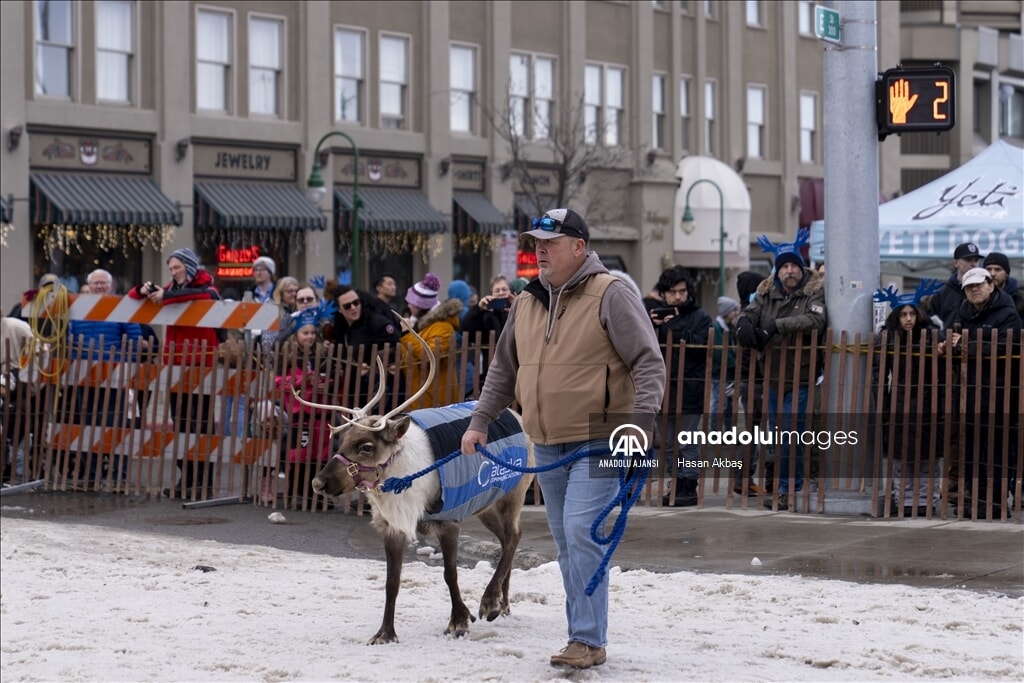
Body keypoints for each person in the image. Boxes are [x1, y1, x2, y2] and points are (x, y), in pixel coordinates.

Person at [460, 208, 664, 670]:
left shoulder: (611, 294)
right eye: (536, 244)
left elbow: (649, 363)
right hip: (546, 440)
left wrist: (640, 422)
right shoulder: (526, 302)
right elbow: (503, 370)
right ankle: (583, 635)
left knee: (580, 531)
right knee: (569, 541)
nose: (539, 252)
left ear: (578, 247)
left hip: (602, 436)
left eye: (549, 244)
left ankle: (587, 639)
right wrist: (479, 422)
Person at [736, 229, 827, 511]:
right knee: (777, 437)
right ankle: (782, 485)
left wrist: (776, 326)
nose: (789, 271)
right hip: (772, 377)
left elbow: (815, 319)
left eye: (794, 266)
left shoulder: (814, 292)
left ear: (801, 269)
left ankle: (789, 488)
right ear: (778, 271)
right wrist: (744, 323)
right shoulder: (767, 293)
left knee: (790, 433)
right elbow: (750, 311)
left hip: (800, 377)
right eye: (784, 266)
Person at [129, 247, 222, 499]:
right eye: (171, 269)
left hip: (201, 365)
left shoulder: (207, 289)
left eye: (178, 267)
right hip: (174, 365)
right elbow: (131, 296)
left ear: (190, 267)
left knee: (201, 422)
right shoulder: (170, 289)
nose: (174, 272)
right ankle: (186, 478)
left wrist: (166, 296)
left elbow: (203, 295)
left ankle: (202, 481)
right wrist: (143, 289)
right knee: (180, 421)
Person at [944, 267, 1022, 519]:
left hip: (999, 392)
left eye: (979, 284)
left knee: (997, 449)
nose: (974, 289)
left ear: (991, 285)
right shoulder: (961, 313)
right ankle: (974, 498)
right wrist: (947, 344)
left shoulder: (1007, 313)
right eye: (969, 287)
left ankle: (996, 503)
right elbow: (948, 340)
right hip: (966, 392)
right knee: (969, 449)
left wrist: (966, 344)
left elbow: (1006, 345)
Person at [252, 301, 336, 505]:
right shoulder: (288, 358)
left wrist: (327, 385)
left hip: (321, 415)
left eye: (312, 333)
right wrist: (304, 380)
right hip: (300, 416)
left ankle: (318, 494)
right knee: (299, 453)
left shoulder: (322, 356)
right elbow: (280, 382)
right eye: (304, 333)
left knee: (322, 453)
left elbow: (331, 377)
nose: (309, 337)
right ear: (296, 335)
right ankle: (296, 493)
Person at [64, 269, 142, 490]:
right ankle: (90, 477)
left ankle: (119, 478)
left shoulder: (122, 306)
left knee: (115, 427)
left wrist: (125, 365)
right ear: (89, 286)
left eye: (103, 283)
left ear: (111, 286)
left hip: (114, 377)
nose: (99, 287)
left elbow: (135, 339)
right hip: (84, 376)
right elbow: (69, 338)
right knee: (89, 428)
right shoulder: (78, 309)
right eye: (95, 283)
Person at [871, 281, 943, 516]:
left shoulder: (932, 337)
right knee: (900, 458)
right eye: (903, 315)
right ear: (896, 317)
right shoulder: (888, 339)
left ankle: (925, 500)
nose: (908, 319)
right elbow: (878, 373)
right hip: (899, 402)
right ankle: (902, 499)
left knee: (927, 457)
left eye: (912, 313)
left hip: (928, 401)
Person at [649, 266, 712, 507]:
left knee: (688, 441)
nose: (678, 296)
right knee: (668, 442)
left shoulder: (700, 317)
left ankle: (688, 485)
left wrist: (674, 326)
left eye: (682, 291)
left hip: (690, 388)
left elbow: (700, 345)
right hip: (664, 389)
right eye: (673, 292)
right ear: (663, 294)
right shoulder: (656, 315)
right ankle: (674, 483)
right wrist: (654, 323)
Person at [332, 285, 403, 409]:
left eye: (356, 302)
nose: (353, 308)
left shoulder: (376, 322)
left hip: (381, 392)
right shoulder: (340, 326)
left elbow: (399, 344)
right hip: (355, 391)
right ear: (339, 309)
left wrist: (376, 366)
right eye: (347, 306)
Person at [401, 273, 461, 410]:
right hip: (421, 396)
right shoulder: (422, 325)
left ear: (421, 305)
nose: (408, 305)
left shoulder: (442, 327)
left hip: (435, 401)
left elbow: (428, 356)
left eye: (412, 302)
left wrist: (406, 334)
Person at [735, 271, 768, 492]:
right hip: (756, 381)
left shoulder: (742, 317)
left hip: (747, 381)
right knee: (756, 432)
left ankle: (743, 479)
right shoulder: (752, 316)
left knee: (750, 432)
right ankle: (744, 479)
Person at [461, 275, 516, 389]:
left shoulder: (518, 311)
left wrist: (518, 309)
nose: (501, 293)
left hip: (516, 370)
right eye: (496, 290)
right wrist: (478, 309)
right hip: (491, 372)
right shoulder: (485, 315)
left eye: (504, 289)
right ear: (491, 294)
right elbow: (465, 330)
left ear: (512, 292)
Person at [928, 242, 983, 329]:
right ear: (956, 263)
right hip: (946, 341)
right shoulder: (942, 293)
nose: (973, 264)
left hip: (975, 341)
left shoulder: (984, 290)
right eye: (968, 259)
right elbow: (931, 322)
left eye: (976, 260)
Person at [983, 251, 1024, 320]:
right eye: (988, 269)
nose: (992, 274)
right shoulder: (976, 296)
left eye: (998, 270)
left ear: (1006, 274)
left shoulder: (1019, 299)